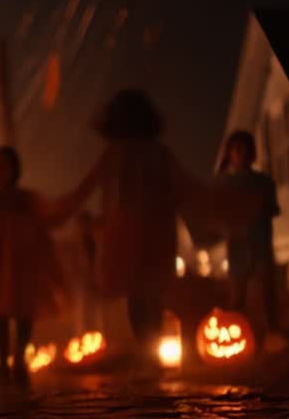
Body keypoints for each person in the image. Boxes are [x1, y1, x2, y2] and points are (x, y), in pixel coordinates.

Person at [62, 89, 203, 369]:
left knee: (139, 295)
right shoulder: (155, 153)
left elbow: (87, 191)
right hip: (153, 229)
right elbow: (186, 188)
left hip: (129, 232)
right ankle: (148, 351)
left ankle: (147, 350)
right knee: (148, 294)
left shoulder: (118, 154)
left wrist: (69, 214)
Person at [0, 146, 68, 385]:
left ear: (14, 168)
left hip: (23, 262)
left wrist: (52, 267)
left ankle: (19, 360)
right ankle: (3, 361)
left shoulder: (28, 200)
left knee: (23, 312)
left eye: (3, 165)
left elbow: (43, 232)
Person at [218, 129, 280, 344]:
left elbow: (272, 209)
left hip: (260, 243)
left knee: (266, 294)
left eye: (244, 149)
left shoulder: (263, 182)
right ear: (230, 153)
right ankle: (240, 340)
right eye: (236, 149)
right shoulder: (224, 184)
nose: (241, 154)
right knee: (238, 295)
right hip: (237, 248)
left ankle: (271, 335)